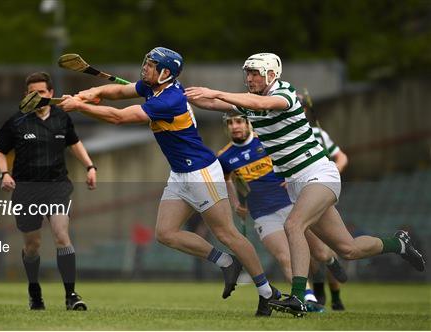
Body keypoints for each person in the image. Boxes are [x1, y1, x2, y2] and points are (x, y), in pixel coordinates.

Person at [185, 53, 425, 317]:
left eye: (255, 73)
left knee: (293, 225)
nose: (250, 78)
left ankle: (298, 297)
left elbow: (251, 101)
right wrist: (177, 96)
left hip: (320, 174)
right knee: (349, 248)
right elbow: (210, 102)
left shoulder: (284, 93)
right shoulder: (250, 103)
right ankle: (398, 243)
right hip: (299, 184)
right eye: (248, 73)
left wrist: (215, 91)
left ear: (271, 74)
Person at [58, 47, 280, 316]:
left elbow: (118, 117)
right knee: (166, 233)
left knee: (226, 234)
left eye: (151, 65)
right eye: (146, 63)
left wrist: (79, 106)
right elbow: (119, 91)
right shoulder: (154, 88)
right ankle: (225, 262)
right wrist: (96, 93)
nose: (145, 68)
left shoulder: (169, 100)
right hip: (179, 174)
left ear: (165, 73)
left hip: (201, 173)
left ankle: (268, 292)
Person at [217, 111, 347, 313]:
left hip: (292, 205)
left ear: (249, 124)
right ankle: (308, 299)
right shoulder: (225, 156)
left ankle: (330, 260)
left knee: (321, 253)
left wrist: (292, 176)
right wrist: (236, 204)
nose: (235, 126)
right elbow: (226, 180)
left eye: (240, 121)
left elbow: (291, 159)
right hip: (263, 214)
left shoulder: (267, 141)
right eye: (231, 122)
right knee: (285, 257)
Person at [0, 72, 97, 311]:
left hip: (57, 186)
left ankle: (71, 295)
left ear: (50, 94)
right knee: (33, 246)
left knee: (61, 236)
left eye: (40, 92)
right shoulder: (16, 121)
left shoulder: (61, 117)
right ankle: (34, 291)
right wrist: (4, 173)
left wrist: (90, 166)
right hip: (26, 190)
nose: (35, 96)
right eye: (31, 93)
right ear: (25, 96)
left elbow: (74, 142)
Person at [299, 92, 348, 310]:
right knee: (311, 249)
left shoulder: (318, 133)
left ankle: (335, 295)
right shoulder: (279, 135)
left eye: (302, 108)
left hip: (320, 192)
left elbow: (342, 157)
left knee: (327, 249)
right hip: (297, 194)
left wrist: (327, 175)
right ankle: (317, 289)